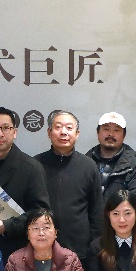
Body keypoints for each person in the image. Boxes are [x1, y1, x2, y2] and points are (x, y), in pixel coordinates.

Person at [0, 106, 51, 259]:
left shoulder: (31, 168)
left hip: (17, 251)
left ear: (15, 132)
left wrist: (7, 226)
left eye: (6, 128)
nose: (0, 134)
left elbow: (40, 212)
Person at [35, 110, 102, 258]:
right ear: (49, 132)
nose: (63, 132)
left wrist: (94, 246)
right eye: (58, 127)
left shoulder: (88, 166)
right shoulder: (35, 165)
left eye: (69, 128)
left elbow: (96, 211)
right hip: (41, 248)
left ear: (77, 134)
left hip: (79, 250)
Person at [86, 111, 136, 211]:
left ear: (124, 135)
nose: (111, 134)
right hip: (88, 221)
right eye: (106, 129)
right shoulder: (85, 163)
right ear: (98, 133)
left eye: (116, 130)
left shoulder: (134, 166)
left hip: (120, 220)